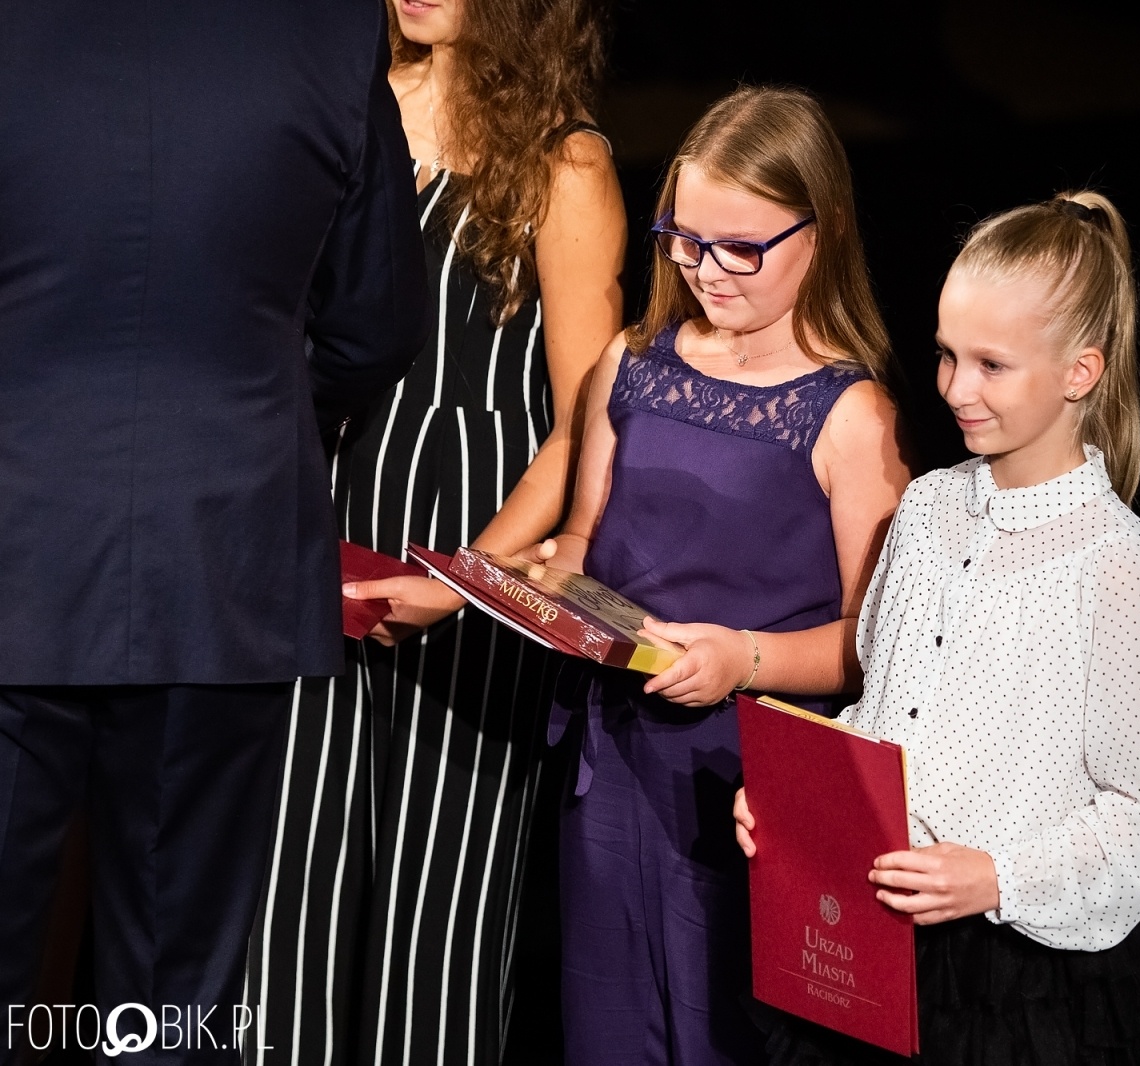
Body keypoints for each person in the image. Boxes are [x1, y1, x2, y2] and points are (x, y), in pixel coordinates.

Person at [0, 0, 427, 1057]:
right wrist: (253, 411)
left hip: (17, 535)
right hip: (220, 550)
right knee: (171, 1004)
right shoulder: (327, 31)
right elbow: (376, 327)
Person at [244, 0, 625, 1062]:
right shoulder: (350, 109)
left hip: (473, 566)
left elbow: (588, 422)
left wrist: (469, 579)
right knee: (288, 899)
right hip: (320, 546)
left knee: (437, 927)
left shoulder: (567, 162)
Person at [735, 191, 1140, 1066]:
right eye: (946, 356)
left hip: (1007, 975)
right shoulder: (932, 507)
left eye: (991, 365)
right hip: (870, 932)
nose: (955, 389)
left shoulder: (1116, 567)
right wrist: (797, 811)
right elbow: (882, 712)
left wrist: (996, 877)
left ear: (1080, 373)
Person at [530, 86, 911, 1065]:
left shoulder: (847, 415)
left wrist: (740, 657)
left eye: (741, 247)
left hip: (746, 779)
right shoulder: (634, 362)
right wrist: (538, 591)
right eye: (684, 240)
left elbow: (876, 648)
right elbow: (580, 541)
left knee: (720, 1029)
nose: (706, 271)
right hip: (613, 758)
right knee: (607, 1025)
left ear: (818, 234)